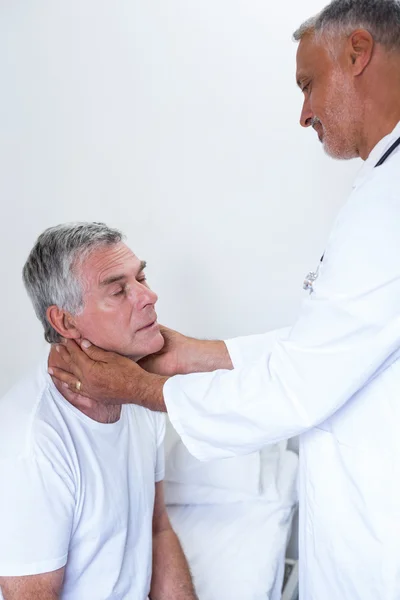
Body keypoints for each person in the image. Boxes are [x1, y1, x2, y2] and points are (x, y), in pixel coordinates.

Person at [50, 1, 400, 599]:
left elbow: (301, 382)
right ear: (61, 320)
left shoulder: (387, 204)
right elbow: (327, 351)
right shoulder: (38, 443)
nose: (304, 113)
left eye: (307, 85)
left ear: (358, 52)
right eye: (117, 287)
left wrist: (142, 390)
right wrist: (192, 356)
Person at [0, 223, 197, 600]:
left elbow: (157, 528)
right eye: (119, 290)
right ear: (65, 322)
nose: (149, 295)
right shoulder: (30, 444)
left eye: (141, 277)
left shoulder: (139, 391)